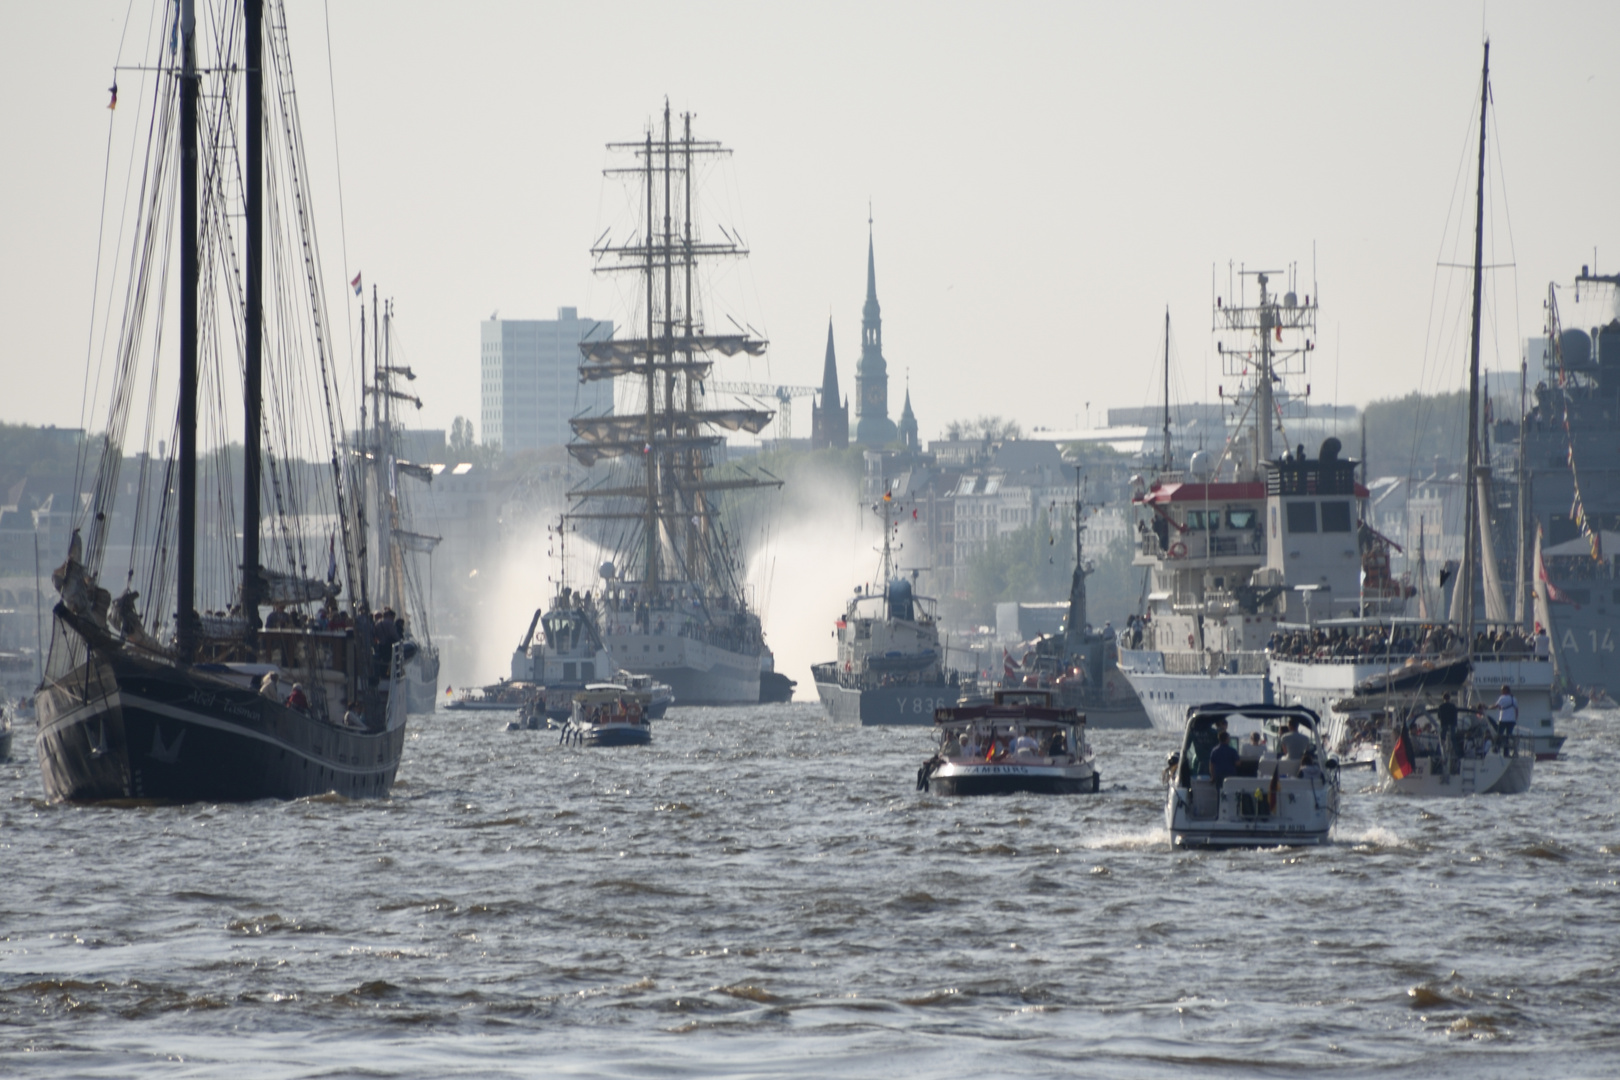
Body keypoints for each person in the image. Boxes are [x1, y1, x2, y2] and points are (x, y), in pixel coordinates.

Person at [1208, 719, 1239, 787]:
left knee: (1219, 791)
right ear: (1227, 739)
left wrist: (1213, 777)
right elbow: (1237, 763)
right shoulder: (1232, 751)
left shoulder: (1214, 751)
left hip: (1218, 775)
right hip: (1230, 775)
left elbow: (1211, 765)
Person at [1436, 692, 1461, 772]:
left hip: (1444, 724)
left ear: (1443, 698)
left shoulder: (1441, 706)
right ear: (1449, 698)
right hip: (1452, 724)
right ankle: (1457, 753)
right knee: (1453, 739)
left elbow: (1439, 716)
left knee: (1442, 739)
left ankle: (1439, 752)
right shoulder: (1453, 706)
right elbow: (1455, 715)